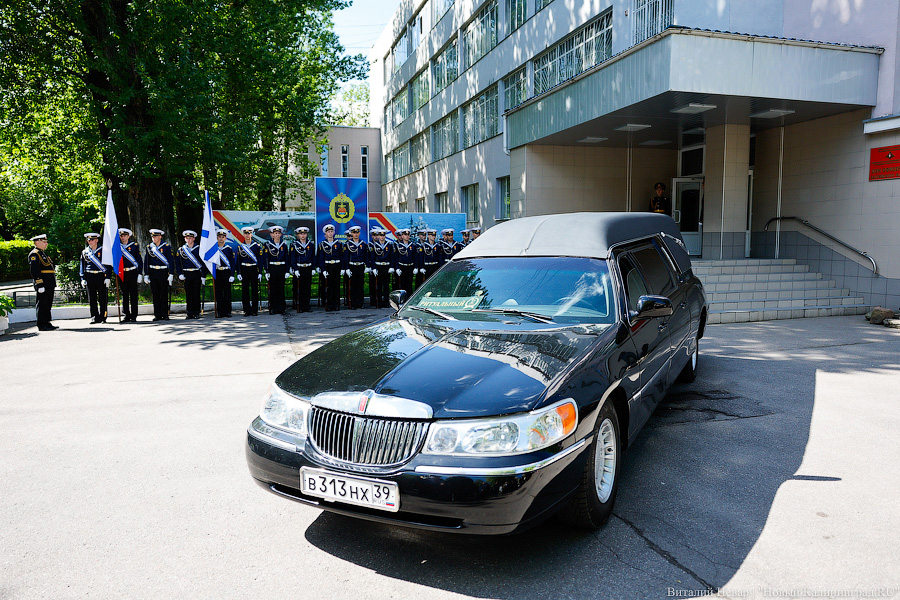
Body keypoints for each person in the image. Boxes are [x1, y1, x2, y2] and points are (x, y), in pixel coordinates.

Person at [79, 232, 111, 324]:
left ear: (97, 240)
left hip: (101, 276)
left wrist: (108, 277)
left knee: (103, 298)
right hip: (90, 276)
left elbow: (108, 265)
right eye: (88, 240)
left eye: (92, 240)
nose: (90, 241)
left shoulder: (104, 250)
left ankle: (103, 317)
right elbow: (82, 265)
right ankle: (94, 316)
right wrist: (83, 278)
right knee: (92, 298)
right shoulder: (85, 252)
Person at [28, 234, 57, 331]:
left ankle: (47, 322)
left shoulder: (42, 253)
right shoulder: (34, 254)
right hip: (43, 284)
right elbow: (34, 271)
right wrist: (39, 284)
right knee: (42, 304)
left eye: (46, 242)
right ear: (37, 242)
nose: (46, 244)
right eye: (44, 242)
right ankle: (42, 324)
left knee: (47, 304)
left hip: (49, 283)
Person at [144, 229, 174, 321]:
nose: (154, 238)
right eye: (152, 237)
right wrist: (146, 274)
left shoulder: (166, 247)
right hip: (153, 272)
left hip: (163, 272)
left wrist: (171, 274)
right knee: (155, 294)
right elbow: (146, 261)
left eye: (155, 236)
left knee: (163, 293)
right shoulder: (149, 247)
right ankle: (157, 314)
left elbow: (171, 261)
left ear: (160, 236)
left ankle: (165, 314)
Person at [176, 230, 206, 319]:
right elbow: (178, 263)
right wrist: (180, 273)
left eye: (190, 238)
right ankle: (189, 313)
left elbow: (204, 263)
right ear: (185, 239)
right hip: (187, 273)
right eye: (187, 238)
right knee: (188, 294)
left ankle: (196, 312)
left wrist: (203, 275)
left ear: (194, 238)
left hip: (196, 273)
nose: (188, 240)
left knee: (196, 293)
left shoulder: (199, 249)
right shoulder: (181, 250)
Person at [236, 226, 263, 316]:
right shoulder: (240, 246)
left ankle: (254, 310)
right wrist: (239, 272)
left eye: (249, 233)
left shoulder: (256, 246)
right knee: (245, 290)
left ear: (251, 234)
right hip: (244, 269)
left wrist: (260, 273)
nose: (247, 235)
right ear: (243, 235)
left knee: (254, 290)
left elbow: (260, 260)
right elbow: (238, 260)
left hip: (253, 269)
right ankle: (247, 310)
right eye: (245, 233)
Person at [118, 228, 143, 322]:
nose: (122, 237)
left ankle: (134, 315)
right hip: (122, 273)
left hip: (132, 272)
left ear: (128, 236)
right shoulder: (117, 247)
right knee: (124, 295)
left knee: (133, 294)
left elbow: (139, 260)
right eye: (121, 236)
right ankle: (126, 315)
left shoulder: (134, 246)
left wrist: (140, 273)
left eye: (124, 235)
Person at [316, 224, 342, 311]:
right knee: (328, 286)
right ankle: (329, 304)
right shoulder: (322, 244)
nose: (330, 233)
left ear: (334, 233)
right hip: (327, 266)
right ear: (325, 234)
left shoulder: (338, 243)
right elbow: (320, 258)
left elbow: (342, 256)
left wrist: (342, 268)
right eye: (328, 232)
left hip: (336, 266)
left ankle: (336, 304)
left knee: (336, 285)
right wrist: (323, 269)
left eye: (331, 231)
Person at [264, 225, 289, 314]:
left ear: (281, 234)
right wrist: (267, 271)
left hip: (281, 268)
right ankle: (274, 308)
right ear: (272, 235)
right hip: (272, 268)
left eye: (278, 233)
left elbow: (287, 258)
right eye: (275, 233)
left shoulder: (284, 245)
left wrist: (287, 271)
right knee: (273, 289)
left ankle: (282, 308)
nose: (277, 235)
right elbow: (266, 258)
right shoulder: (267, 245)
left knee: (281, 288)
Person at [290, 226, 315, 312]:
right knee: (299, 288)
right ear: (298, 235)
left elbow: (313, 257)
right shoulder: (294, 245)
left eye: (304, 233)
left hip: (308, 268)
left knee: (307, 288)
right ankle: (299, 305)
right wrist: (295, 269)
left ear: (307, 234)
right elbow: (293, 258)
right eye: (301, 234)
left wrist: (313, 268)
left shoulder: (311, 245)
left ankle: (306, 305)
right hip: (299, 268)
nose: (303, 235)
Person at [368, 227, 394, 308]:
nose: (382, 237)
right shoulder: (374, 246)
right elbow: (372, 258)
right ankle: (379, 302)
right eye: (380, 235)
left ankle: (386, 302)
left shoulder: (389, 245)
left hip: (386, 266)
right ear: (378, 236)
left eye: (383, 235)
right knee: (378, 285)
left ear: (385, 236)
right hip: (378, 266)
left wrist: (391, 267)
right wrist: (374, 268)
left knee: (386, 286)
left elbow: (392, 257)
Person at [343, 225, 367, 309]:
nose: (355, 234)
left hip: (360, 266)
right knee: (353, 286)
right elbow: (345, 257)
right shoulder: (348, 244)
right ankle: (353, 303)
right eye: (354, 233)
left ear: (359, 233)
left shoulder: (363, 244)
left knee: (360, 285)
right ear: (351, 234)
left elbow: (365, 256)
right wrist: (347, 268)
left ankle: (360, 303)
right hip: (352, 266)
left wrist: (367, 266)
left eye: (357, 233)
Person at [213, 230, 235, 317]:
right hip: (218, 272)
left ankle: (227, 311)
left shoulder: (229, 249)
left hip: (226, 272)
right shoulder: (214, 249)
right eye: (219, 237)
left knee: (227, 293)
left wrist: (232, 274)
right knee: (218, 293)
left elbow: (232, 263)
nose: (221, 239)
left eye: (223, 237)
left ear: (225, 238)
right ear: (217, 238)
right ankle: (220, 312)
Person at [393, 228, 416, 294]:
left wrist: (416, 267)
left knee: (409, 285)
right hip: (402, 267)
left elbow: (415, 257)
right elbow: (396, 258)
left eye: (408, 235)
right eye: (405, 235)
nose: (407, 236)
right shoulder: (398, 246)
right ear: (402, 236)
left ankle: (409, 300)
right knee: (402, 285)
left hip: (410, 267)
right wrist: (397, 268)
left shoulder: (413, 245)